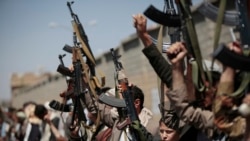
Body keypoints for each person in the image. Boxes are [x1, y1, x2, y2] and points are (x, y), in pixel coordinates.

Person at [132, 13, 245, 140]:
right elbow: (167, 74)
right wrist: (144, 37)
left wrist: (229, 67)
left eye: (204, 86)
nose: (198, 93)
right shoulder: (199, 118)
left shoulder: (235, 119)